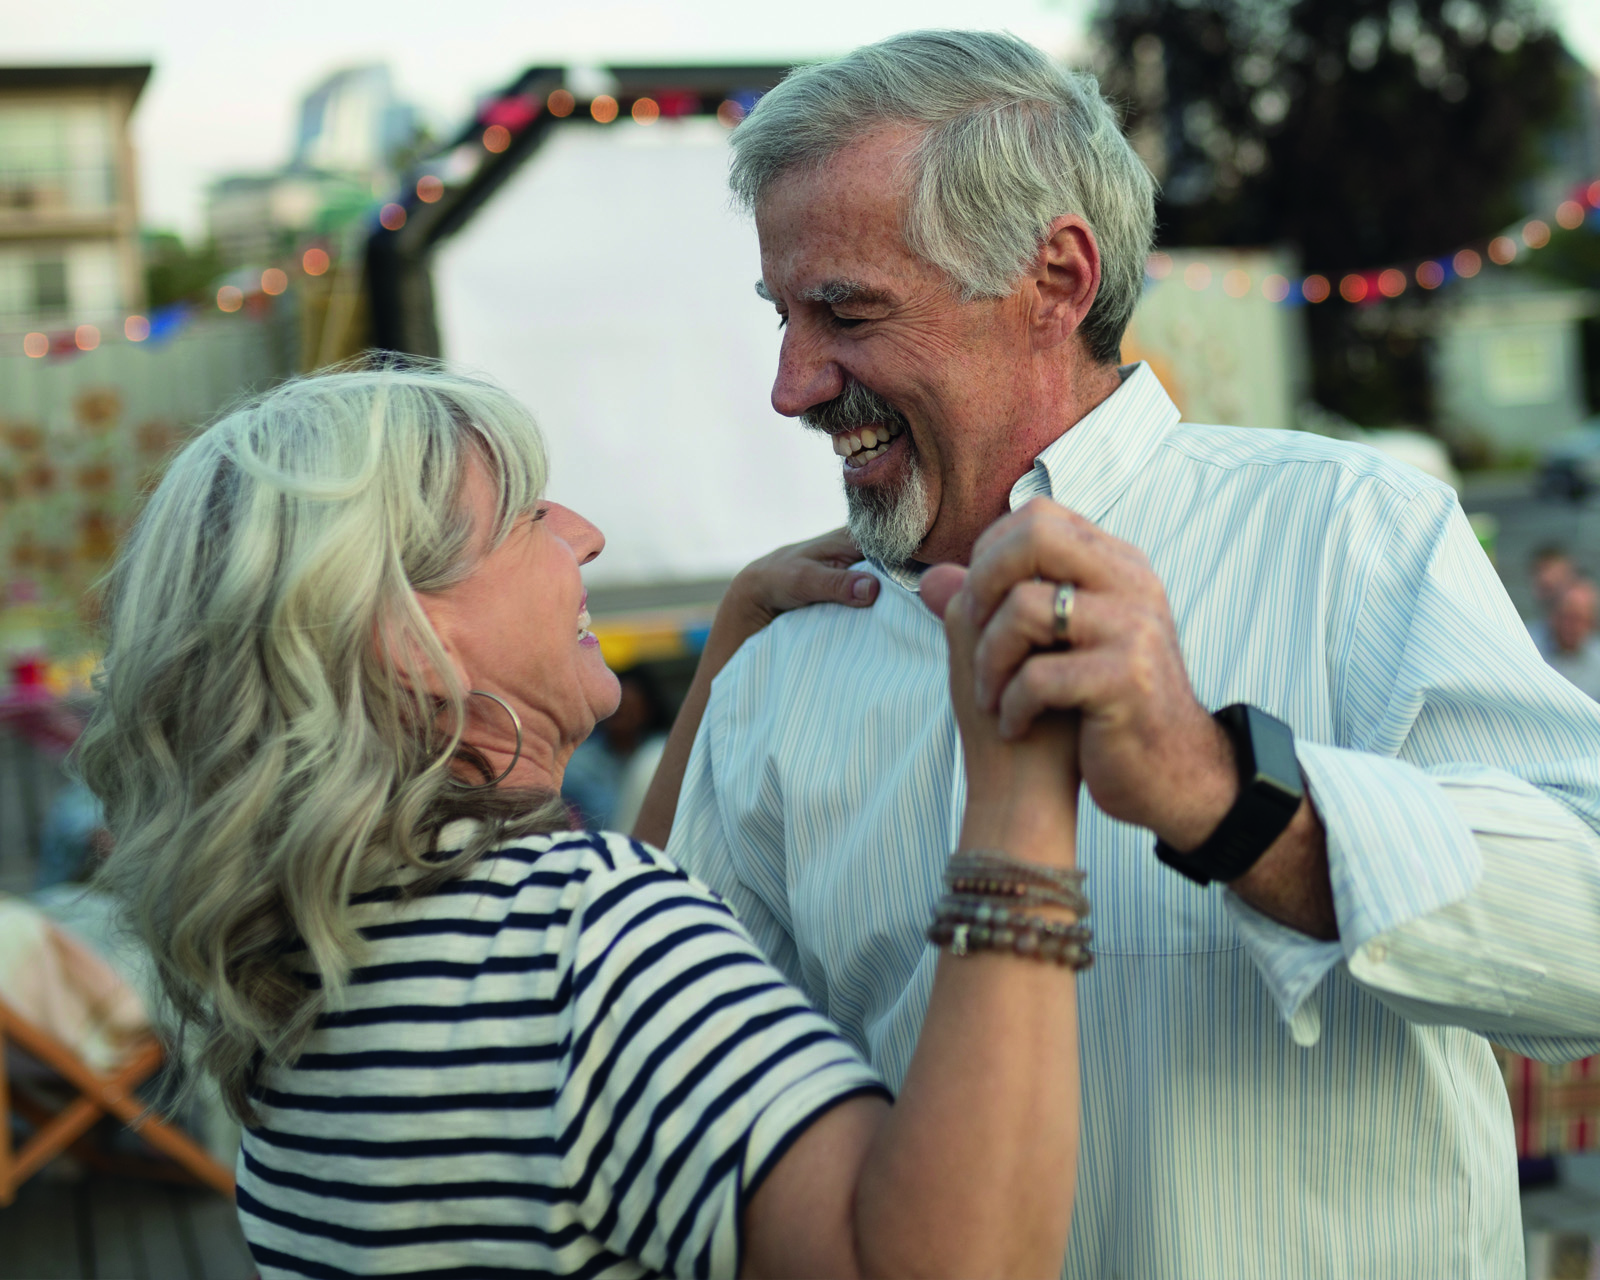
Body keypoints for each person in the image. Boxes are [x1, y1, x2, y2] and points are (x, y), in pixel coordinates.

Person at [664, 29, 1600, 1278]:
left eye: (845, 309)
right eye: (784, 314)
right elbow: (688, 1128)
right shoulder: (785, 666)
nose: (790, 384)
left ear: (1056, 278)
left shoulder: (1342, 530)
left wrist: (1221, 793)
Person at [74, 363, 1090, 1279]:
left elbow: (586, 1044)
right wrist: (1019, 789)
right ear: (411, 640)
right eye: (525, 515)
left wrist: (735, 629)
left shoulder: (306, 971)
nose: (585, 534)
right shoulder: (582, 945)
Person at [1541, 578, 1600, 700]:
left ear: (1591, 623)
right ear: (1553, 616)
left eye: (1578, 619)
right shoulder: (1529, 646)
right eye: (1566, 617)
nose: (1571, 626)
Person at [1527, 543, 1578, 656]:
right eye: (1539, 571)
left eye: (1550, 570)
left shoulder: (1589, 644)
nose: (1545, 578)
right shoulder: (1526, 638)